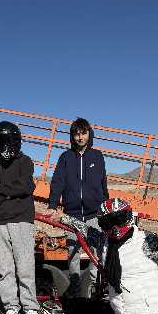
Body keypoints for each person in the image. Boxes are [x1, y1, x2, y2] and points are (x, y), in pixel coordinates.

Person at [0, 121, 50, 314]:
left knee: (25, 267)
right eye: (1, 143)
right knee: (5, 270)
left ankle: (30, 309)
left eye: (9, 142)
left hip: (22, 221)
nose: (6, 148)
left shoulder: (25, 162)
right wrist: (11, 192)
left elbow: (26, 186)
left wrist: (0, 189)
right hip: (0, 224)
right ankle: (12, 309)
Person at [48, 117, 108, 297]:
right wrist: (52, 205)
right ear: (72, 136)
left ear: (89, 134)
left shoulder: (97, 156)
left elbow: (103, 183)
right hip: (72, 215)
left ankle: (94, 290)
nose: (80, 137)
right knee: (72, 255)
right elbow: (57, 182)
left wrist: (105, 207)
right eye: (76, 134)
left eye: (83, 133)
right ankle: (74, 291)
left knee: (96, 254)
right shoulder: (65, 157)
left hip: (93, 215)